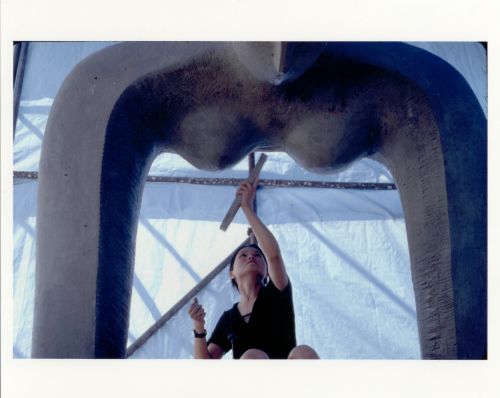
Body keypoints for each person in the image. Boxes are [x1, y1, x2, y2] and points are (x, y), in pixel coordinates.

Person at [188, 179, 319, 359]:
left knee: (303, 352)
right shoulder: (229, 318)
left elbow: (274, 256)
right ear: (231, 274)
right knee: (252, 356)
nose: (251, 256)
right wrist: (199, 327)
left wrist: (247, 208)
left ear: (267, 272)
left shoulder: (277, 293)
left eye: (258, 255)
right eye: (243, 255)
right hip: (251, 383)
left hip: (286, 380)